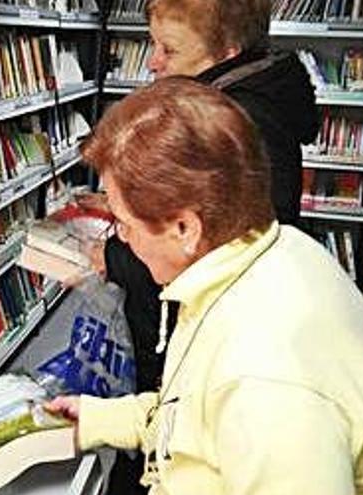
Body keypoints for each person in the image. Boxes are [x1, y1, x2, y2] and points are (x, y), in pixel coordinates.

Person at [48, 77, 363, 495]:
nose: (120, 237)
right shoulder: (260, 256)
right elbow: (195, 409)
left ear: (184, 228)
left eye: (123, 222)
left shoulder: (268, 376)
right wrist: (102, 419)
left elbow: (244, 398)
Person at [91, 2, 320, 490]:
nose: (153, 62)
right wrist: (94, 422)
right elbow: (188, 405)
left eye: (169, 49)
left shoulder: (265, 374)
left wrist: (115, 260)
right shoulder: (229, 285)